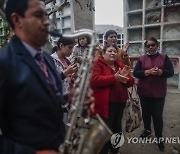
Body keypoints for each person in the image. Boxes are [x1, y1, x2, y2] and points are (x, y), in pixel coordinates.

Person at [0, 0, 94, 154]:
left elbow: (47, 100)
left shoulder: (47, 58)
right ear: (17, 20)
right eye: (38, 15)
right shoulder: (4, 62)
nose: (47, 22)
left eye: (46, 15)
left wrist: (69, 98)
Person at [90, 44, 134, 154]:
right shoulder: (98, 64)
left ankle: (115, 150)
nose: (113, 53)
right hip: (105, 104)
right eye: (109, 51)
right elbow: (95, 80)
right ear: (103, 54)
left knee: (117, 129)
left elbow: (131, 82)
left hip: (120, 103)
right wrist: (114, 78)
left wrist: (126, 79)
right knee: (105, 131)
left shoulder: (120, 64)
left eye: (115, 51)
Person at [133, 37, 174, 151]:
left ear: (157, 46)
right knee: (146, 113)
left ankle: (159, 137)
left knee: (157, 116)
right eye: (148, 45)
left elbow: (171, 72)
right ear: (146, 47)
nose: (150, 47)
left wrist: (161, 72)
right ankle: (147, 130)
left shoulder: (164, 57)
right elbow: (136, 73)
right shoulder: (142, 59)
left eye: (153, 45)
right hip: (144, 92)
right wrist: (147, 72)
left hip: (158, 93)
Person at [51, 36, 78, 102]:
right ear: (61, 46)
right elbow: (51, 81)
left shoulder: (67, 60)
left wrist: (73, 77)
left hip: (68, 96)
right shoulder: (51, 60)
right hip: (58, 98)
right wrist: (66, 73)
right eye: (70, 48)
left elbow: (68, 79)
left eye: (73, 48)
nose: (72, 51)